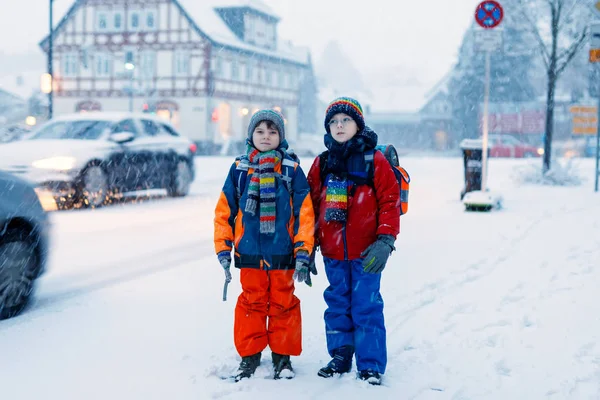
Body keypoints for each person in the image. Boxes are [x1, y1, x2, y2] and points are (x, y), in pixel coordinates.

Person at [214, 109, 316, 382]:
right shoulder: (239, 169)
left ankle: (282, 358)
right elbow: (224, 211)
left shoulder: (291, 170)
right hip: (249, 252)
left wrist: (303, 249)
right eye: (260, 131)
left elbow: (304, 213)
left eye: (272, 131)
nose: (266, 136)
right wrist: (223, 248)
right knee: (252, 303)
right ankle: (250, 356)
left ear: (281, 136)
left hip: (283, 252)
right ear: (251, 135)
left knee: (283, 304)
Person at [306, 97, 400, 385]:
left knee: (366, 305)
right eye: (334, 121)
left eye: (345, 120)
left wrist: (385, 239)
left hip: (368, 252)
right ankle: (340, 355)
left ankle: (370, 364)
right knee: (337, 304)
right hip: (333, 251)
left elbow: (390, 200)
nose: (339, 125)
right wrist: (307, 247)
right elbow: (308, 206)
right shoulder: (322, 162)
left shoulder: (374, 159)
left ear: (358, 124)